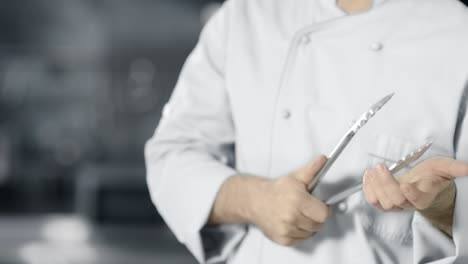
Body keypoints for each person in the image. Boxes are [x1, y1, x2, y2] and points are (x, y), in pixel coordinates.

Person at [145, 0, 468, 263]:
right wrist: (254, 199)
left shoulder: (457, 33)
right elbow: (171, 155)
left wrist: (441, 206)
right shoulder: (245, 17)